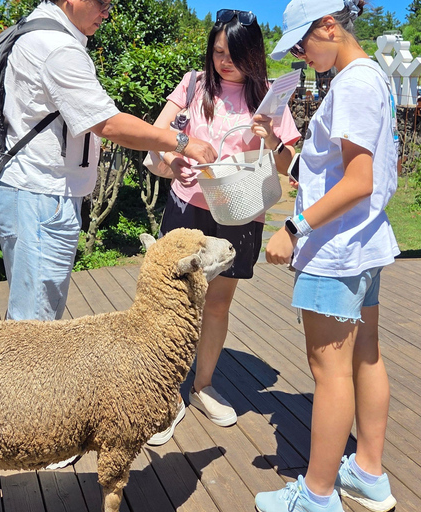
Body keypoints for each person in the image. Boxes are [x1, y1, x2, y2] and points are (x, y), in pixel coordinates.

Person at [0, 0, 216, 469]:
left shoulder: (45, 35)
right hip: (39, 196)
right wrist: (181, 141)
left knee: (39, 313)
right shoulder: (56, 48)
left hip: (40, 193)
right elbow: (107, 123)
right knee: (34, 325)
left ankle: (27, 422)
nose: (109, 13)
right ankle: (32, 435)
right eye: (104, 2)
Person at [254, 0, 400, 511]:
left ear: (329, 26)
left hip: (335, 249)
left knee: (329, 370)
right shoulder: (370, 77)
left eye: (302, 42)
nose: (299, 53)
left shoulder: (354, 84)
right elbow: (336, 172)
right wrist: (284, 146)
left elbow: (360, 181)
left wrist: (293, 227)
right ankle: (368, 473)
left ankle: (316, 497)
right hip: (363, 243)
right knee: (365, 355)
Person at [144, 9, 301, 446]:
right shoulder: (194, 85)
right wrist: (173, 161)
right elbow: (156, 137)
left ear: (253, 54)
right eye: (217, 52)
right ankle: (164, 395)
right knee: (174, 301)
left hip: (237, 211)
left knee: (217, 302)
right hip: (187, 208)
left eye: (233, 54)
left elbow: (289, 165)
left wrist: (270, 137)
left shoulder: (270, 96)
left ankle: (202, 385)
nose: (223, 62)